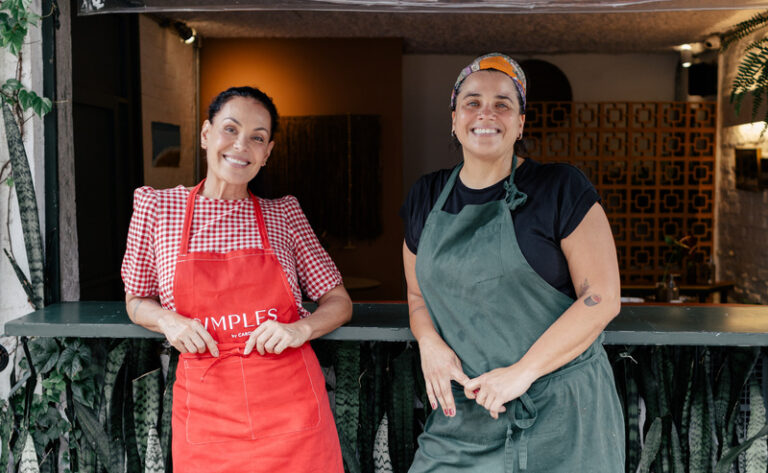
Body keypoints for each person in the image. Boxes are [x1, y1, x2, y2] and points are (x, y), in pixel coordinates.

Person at [401, 53, 625, 472]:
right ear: (453, 118)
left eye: (503, 103)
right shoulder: (424, 197)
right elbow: (416, 294)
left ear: (520, 123)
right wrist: (429, 344)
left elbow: (603, 297)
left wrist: (522, 372)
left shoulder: (561, 188)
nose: (487, 113)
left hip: (562, 417)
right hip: (465, 416)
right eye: (472, 102)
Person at [122, 86, 351, 472]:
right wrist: (167, 319)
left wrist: (301, 329)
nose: (241, 145)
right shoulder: (158, 208)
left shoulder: (285, 214)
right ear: (206, 134)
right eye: (230, 129)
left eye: (257, 138)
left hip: (292, 409)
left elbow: (339, 300)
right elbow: (136, 299)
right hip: (209, 411)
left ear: (267, 153)